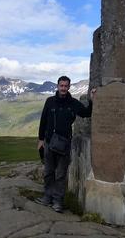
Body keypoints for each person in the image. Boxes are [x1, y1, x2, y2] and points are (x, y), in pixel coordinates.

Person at [36, 75, 95, 213]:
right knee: (49, 172)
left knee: (61, 175)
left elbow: (87, 113)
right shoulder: (49, 101)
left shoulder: (73, 103)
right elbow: (43, 120)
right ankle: (47, 197)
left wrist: (92, 100)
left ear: (69, 87)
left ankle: (58, 202)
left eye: (65, 86)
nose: (63, 88)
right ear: (57, 86)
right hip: (49, 143)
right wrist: (40, 140)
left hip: (64, 144)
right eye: (61, 86)